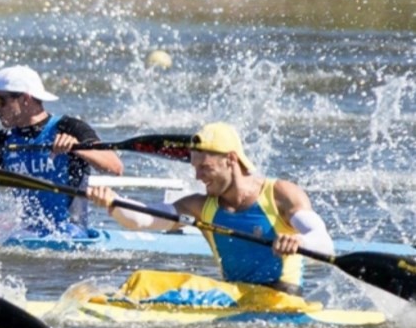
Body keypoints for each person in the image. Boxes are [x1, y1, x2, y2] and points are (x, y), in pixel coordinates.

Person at [87, 122, 334, 297]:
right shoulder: (200, 206)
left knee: (145, 285)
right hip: (238, 297)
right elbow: (145, 220)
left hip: (282, 299)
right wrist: (114, 202)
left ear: (231, 160)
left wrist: (299, 241)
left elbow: (324, 242)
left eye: (204, 167)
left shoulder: (280, 194)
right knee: (142, 280)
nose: (197, 176)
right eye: (194, 167)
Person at [0, 65, 123, 239]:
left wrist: (77, 148)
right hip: (26, 227)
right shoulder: (5, 140)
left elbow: (115, 166)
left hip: (67, 232)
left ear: (25, 99)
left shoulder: (69, 127)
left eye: (0, 101)